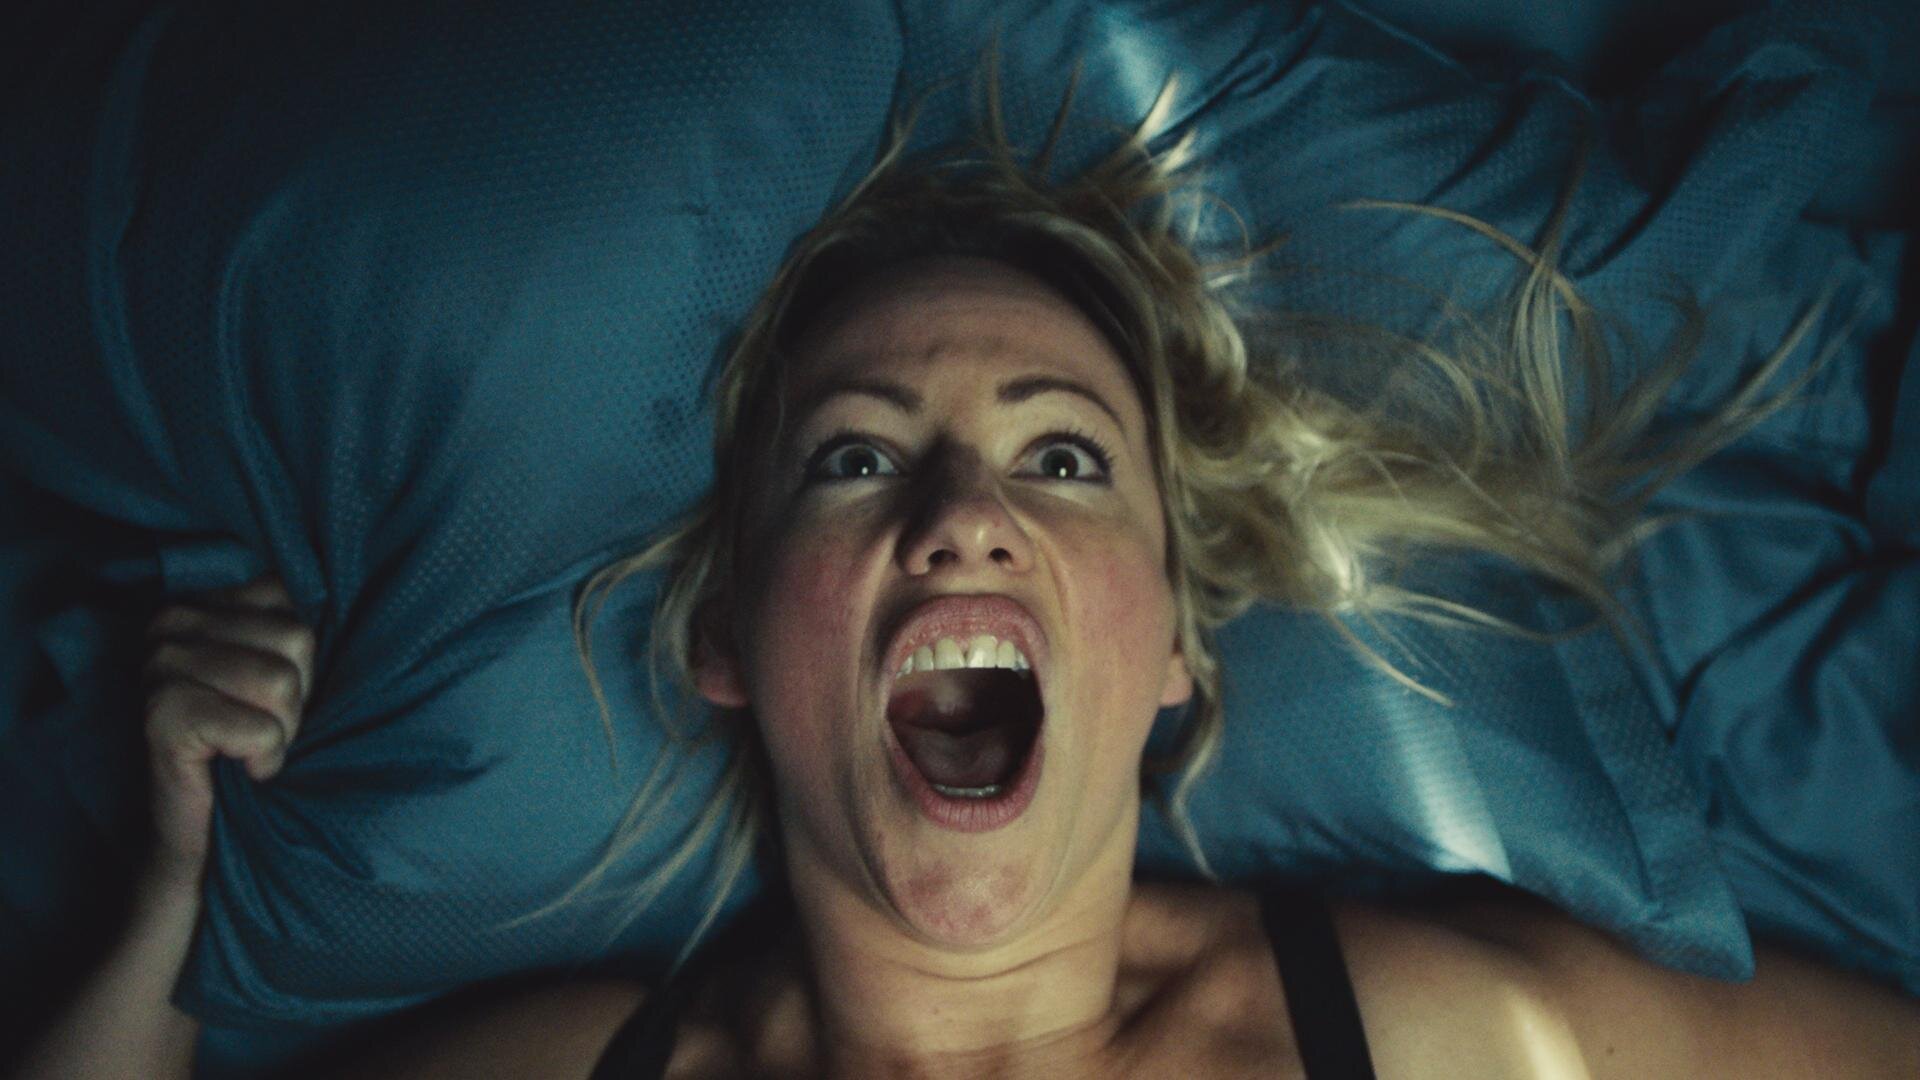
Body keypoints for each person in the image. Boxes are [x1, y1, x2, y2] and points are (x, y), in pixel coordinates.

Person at [10, 69, 1918, 1080]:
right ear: (726, 636)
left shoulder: (1451, 1044)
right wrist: (173, 898)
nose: (963, 512)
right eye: (855, 457)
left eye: (1063, 457)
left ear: (1174, 650)